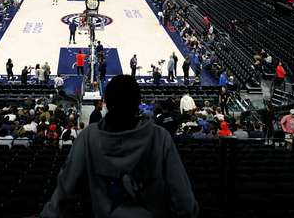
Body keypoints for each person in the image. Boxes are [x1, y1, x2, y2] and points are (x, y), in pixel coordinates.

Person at [41, 75, 198, 218]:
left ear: (106, 103)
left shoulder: (88, 138)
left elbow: (63, 195)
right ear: (138, 103)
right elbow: (184, 203)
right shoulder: (160, 138)